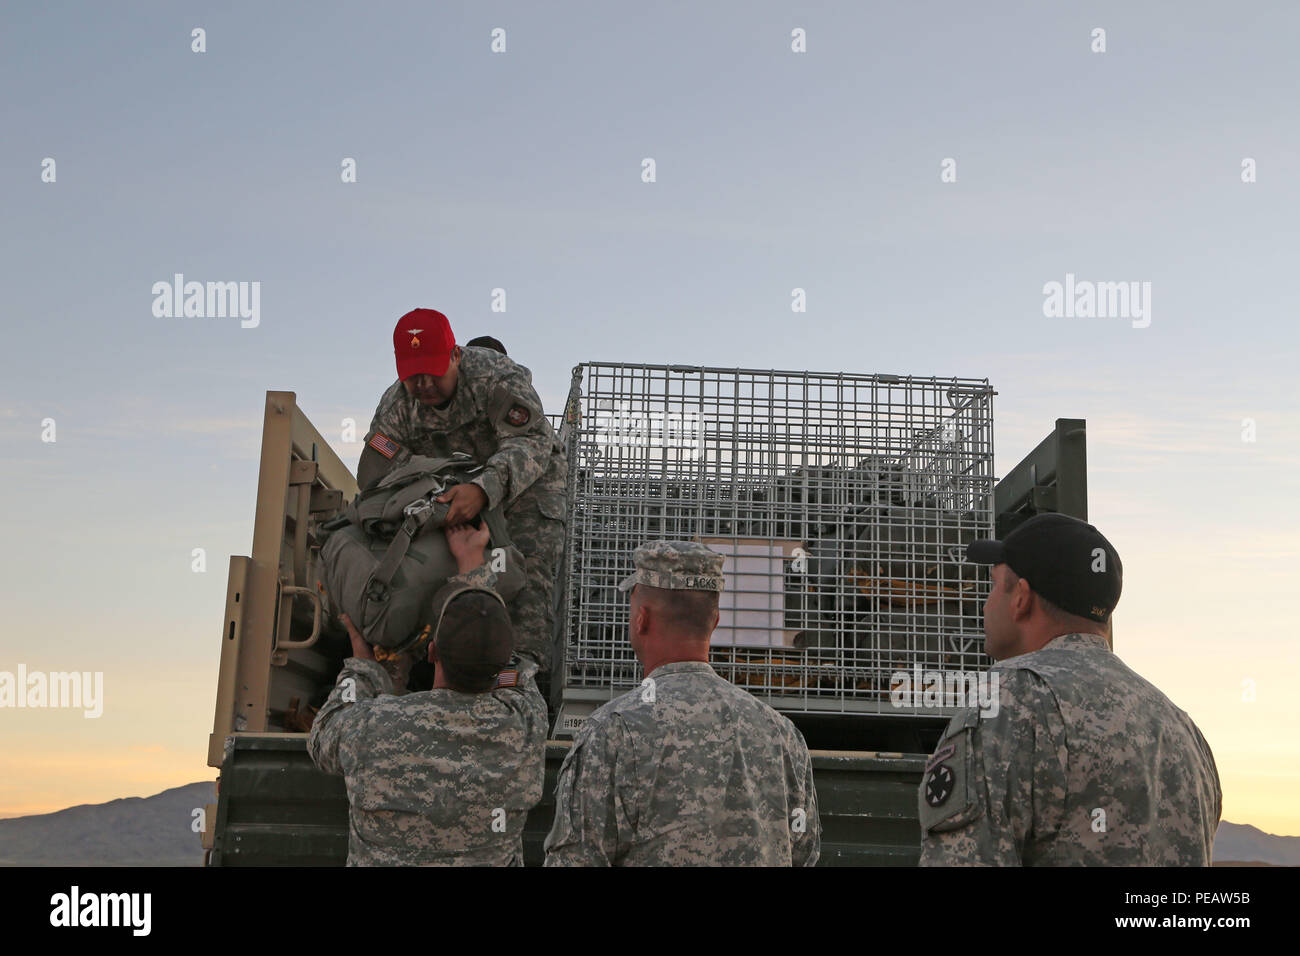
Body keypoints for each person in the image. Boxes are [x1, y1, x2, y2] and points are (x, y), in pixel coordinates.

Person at [918, 513, 1222, 866]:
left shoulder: (1011, 700)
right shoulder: (1183, 729)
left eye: (993, 585)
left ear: (1021, 598)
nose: (985, 604)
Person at [544, 541, 821, 866]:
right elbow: (803, 854)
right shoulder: (782, 734)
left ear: (640, 620)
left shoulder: (612, 732)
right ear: (714, 622)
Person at [308, 523, 547, 865]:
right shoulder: (524, 725)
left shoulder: (372, 725)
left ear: (432, 652)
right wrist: (473, 567)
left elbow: (322, 739)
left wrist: (363, 668)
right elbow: (516, 674)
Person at [364, 308, 567, 672]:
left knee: (523, 575)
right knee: (423, 567)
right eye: (413, 375)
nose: (423, 383)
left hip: (525, 486)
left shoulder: (496, 378)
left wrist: (483, 489)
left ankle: (518, 680)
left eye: (432, 369)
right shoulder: (396, 406)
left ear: (456, 355)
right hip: (446, 491)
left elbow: (533, 443)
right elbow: (379, 473)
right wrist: (427, 505)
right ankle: (431, 671)